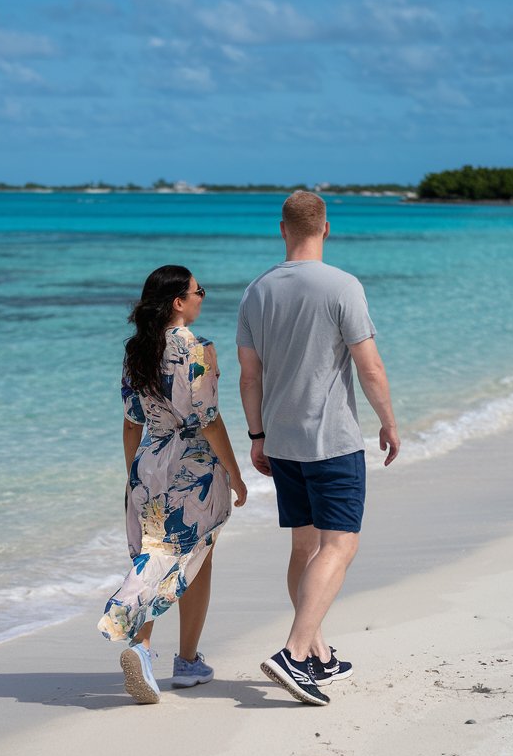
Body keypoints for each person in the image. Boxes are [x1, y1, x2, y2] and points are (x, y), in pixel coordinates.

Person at [236, 191, 399, 706]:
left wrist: (258, 435)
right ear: (326, 229)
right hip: (331, 441)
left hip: (282, 442)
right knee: (341, 546)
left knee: (305, 550)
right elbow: (369, 366)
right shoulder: (342, 286)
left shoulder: (256, 291)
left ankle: (318, 658)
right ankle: (292, 651)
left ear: (281, 229)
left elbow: (249, 376)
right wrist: (389, 423)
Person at [98, 264, 247, 705]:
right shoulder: (198, 349)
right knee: (195, 556)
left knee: (154, 554)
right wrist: (235, 474)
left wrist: (134, 475)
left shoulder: (136, 350)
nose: (204, 296)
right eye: (200, 290)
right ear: (179, 302)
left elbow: (132, 423)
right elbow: (209, 421)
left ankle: (144, 649)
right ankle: (183, 662)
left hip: (149, 462)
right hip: (193, 464)